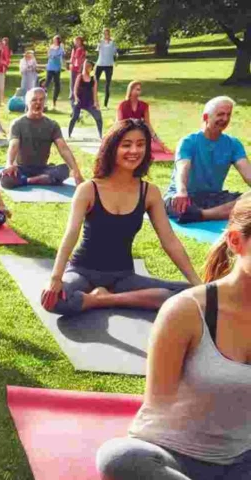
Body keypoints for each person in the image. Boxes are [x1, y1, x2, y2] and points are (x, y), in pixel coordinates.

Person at [95, 193, 251, 480]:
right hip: (171, 460)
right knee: (120, 460)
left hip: (240, 465)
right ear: (235, 242)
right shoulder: (185, 311)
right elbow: (158, 403)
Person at [40, 119, 199, 316]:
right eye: (126, 144)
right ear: (112, 148)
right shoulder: (88, 189)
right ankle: (108, 298)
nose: (134, 150)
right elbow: (71, 234)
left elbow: (170, 241)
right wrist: (56, 277)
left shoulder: (149, 192)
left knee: (189, 293)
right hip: (82, 271)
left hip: (123, 277)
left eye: (140, 144)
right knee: (53, 301)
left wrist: (197, 283)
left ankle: (103, 299)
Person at [165, 96, 251, 224]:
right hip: (184, 197)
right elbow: (182, 169)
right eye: (220, 114)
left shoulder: (233, 144)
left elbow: (248, 174)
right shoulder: (188, 142)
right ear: (206, 117)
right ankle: (210, 213)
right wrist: (181, 192)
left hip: (213, 198)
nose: (225, 119)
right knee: (178, 206)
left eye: (228, 115)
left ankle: (201, 215)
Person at [0, 88, 83, 190]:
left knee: (64, 170)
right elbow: (13, 146)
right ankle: (38, 180)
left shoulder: (52, 125)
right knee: (5, 180)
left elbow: (63, 149)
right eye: (34, 100)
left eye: (41, 100)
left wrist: (76, 172)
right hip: (22, 169)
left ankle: (26, 181)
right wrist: (9, 164)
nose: (38, 103)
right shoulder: (17, 124)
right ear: (27, 103)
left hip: (43, 169)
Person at [117, 81, 171, 156]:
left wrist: (161, 145)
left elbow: (147, 124)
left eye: (139, 90)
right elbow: (119, 123)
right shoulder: (122, 105)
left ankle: (161, 146)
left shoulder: (144, 105)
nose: (139, 92)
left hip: (138, 130)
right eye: (137, 89)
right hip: (125, 130)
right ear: (130, 90)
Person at [69, 61, 104, 139]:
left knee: (98, 117)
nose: (87, 67)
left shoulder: (93, 78)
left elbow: (95, 91)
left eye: (89, 66)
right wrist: (76, 98)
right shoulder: (79, 76)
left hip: (89, 102)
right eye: (86, 65)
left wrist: (96, 103)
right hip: (79, 101)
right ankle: (69, 134)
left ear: (91, 68)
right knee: (74, 117)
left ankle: (100, 135)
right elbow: (75, 89)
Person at [96, 28, 118, 108]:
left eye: (107, 33)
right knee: (95, 83)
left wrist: (116, 59)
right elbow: (97, 51)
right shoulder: (100, 42)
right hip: (100, 64)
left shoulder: (113, 43)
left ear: (109, 34)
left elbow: (115, 53)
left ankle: (105, 104)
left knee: (107, 85)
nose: (106, 35)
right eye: (104, 34)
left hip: (109, 66)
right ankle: (94, 102)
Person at [46, 36, 65, 110]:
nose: (54, 41)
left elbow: (62, 56)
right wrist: (52, 56)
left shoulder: (61, 47)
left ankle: (54, 101)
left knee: (57, 85)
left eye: (56, 40)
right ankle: (43, 98)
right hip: (50, 67)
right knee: (47, 82)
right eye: (54, 40)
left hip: (57, 68)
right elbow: (49, 55)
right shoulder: (51, 47)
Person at [69, 36, 87, 105]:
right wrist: (71, 64)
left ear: (81, 42)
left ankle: (77, 103)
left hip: (79, 70)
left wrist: (81, 69)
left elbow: (82, 60)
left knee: (77, 87)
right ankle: (73, 104)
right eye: (75, 41)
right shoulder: (74, 49)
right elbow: (72, 59)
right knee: (72, 87)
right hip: (73, 69)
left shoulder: (81, 50)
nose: (76, 42)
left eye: (78, 41)